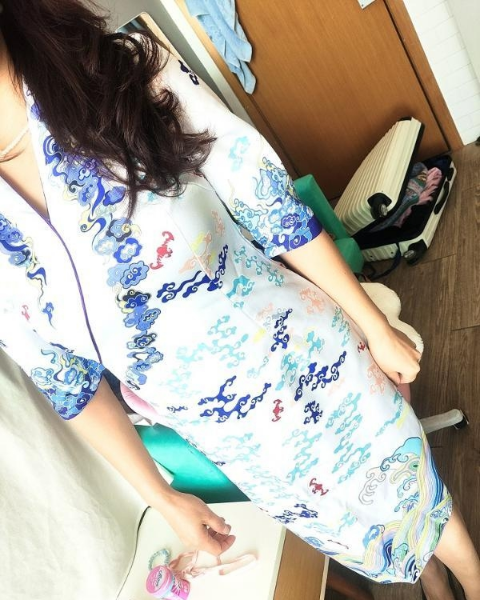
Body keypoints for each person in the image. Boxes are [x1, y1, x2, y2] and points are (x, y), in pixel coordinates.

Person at [0, 1, 478, 598]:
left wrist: (374, 325)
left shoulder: (121, 72)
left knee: (409, 484)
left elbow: (269, 203)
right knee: (358, 530)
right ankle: (429, 573)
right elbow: (67, 383)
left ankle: (467, 576)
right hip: (242, 444)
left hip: (312, 362)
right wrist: (162, 497)